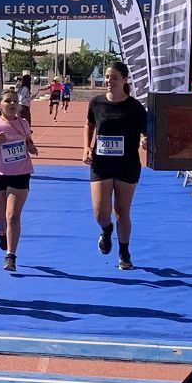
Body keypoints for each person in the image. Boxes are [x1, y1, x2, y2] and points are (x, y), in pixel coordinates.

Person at [84, 61, 148, 270]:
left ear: (124, 80)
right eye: (108, 77)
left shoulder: (135, 107)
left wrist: (144, 140)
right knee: (101, 212)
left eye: (114, 78)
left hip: (127, 164)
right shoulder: (96, 103)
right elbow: (90, 124)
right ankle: (106, 229)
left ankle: (124, 252)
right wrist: (86, 147)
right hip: (101, 163)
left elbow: (146, 132)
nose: (109, 81)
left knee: (122, 210)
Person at [0, 91, 38, 271]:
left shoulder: (23, 123)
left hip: (21, 172)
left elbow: (28, 142)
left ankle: (10, 255)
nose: (12, 104)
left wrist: (32, 148)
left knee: (13, 215)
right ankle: (1, 232)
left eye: (15, 101)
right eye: (7, 101)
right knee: (1, 216)